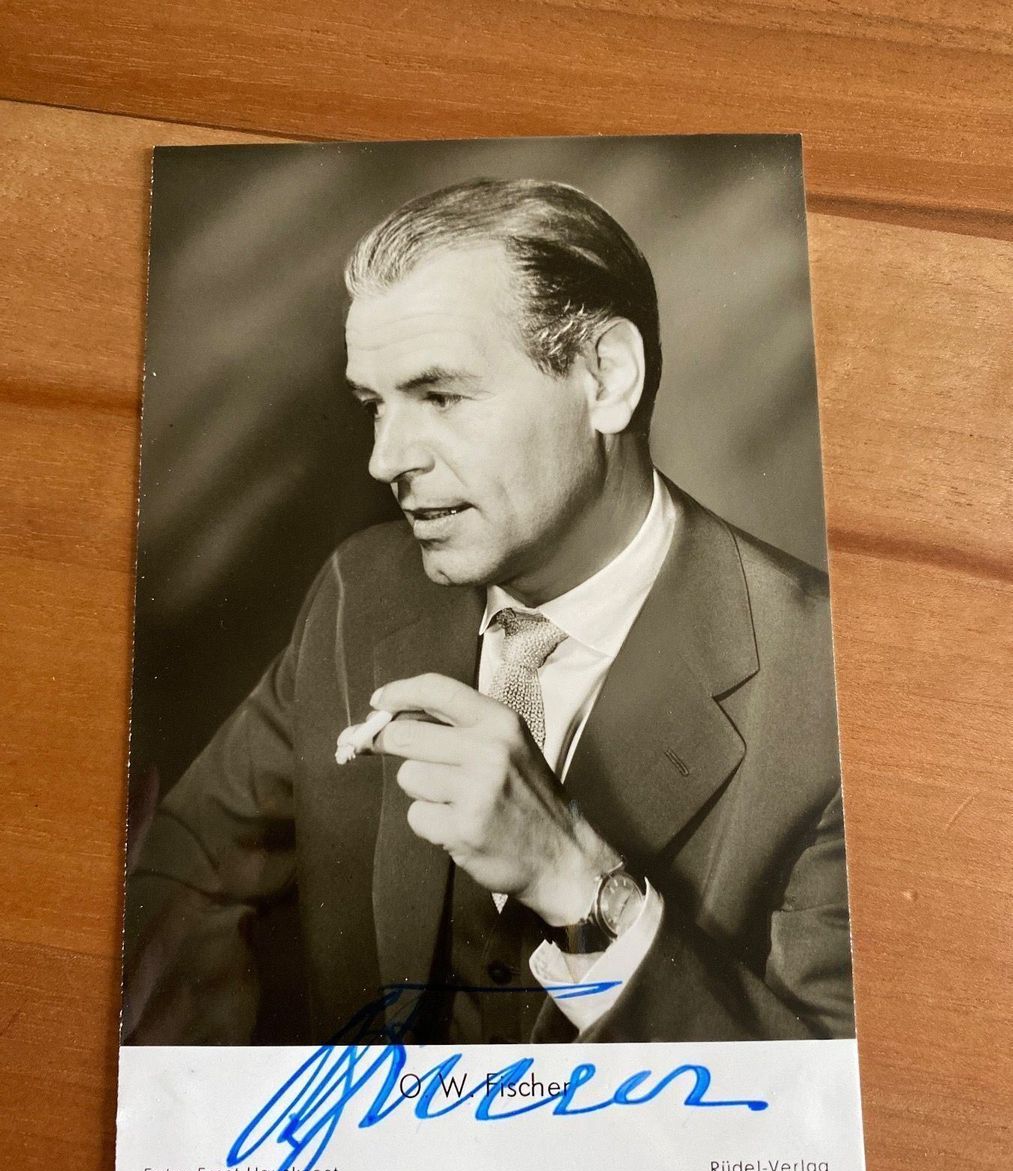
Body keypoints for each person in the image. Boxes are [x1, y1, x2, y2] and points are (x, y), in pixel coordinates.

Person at [123, 178, 855, 1047]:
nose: (385, 459)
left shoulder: (831, 684)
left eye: (440, 396)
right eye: (375, 405)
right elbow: (180, 874)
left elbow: (823, 1107)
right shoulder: (363, 591)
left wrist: (579, 880)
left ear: (606, 379)